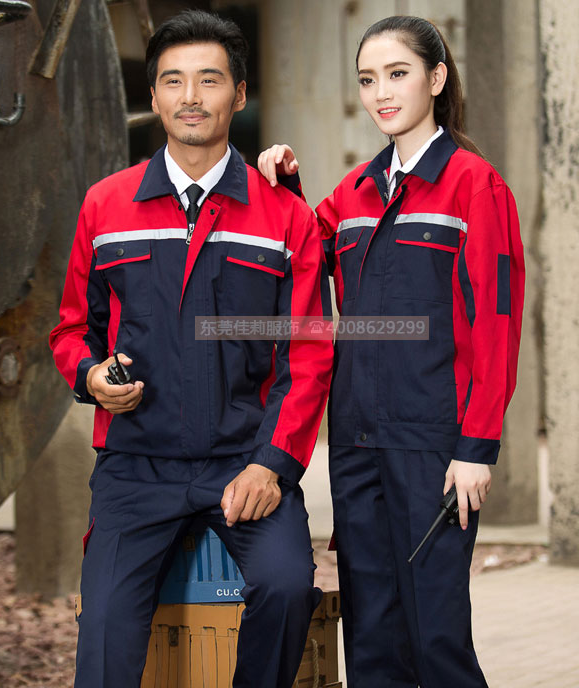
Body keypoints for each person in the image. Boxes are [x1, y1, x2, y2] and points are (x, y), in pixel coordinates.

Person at [50, 9, 333, 688]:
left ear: (239, 94)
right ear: (153, 97)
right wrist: (90, 376)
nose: (190, 96)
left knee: (287, 587)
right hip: (135, 466)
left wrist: (270, 465)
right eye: (173, 81)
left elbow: (308, 355)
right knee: (105, 625)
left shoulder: (284, 216)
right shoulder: (106, 205)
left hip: (243, 460)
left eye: (209, 79)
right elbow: (71, 329)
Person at [258, 15, 524, 688]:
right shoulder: (354, 191)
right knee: (372, 638)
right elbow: (306, 252)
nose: (380, 92)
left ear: (435, 79)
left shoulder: (474, 185)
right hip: (356, 441)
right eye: (367, 79)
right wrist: (284, 187)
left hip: (433, 445)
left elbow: (496, 322)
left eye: (397, 74)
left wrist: (476, 447)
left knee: (435, 637)